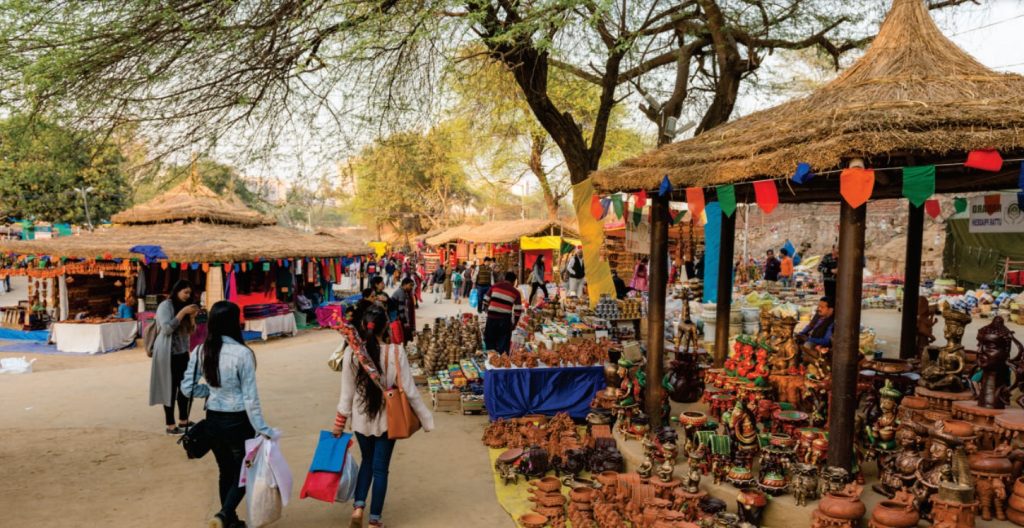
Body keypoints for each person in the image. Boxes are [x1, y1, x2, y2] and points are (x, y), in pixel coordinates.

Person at [332, 303, 434, 528]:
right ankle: (374, 521)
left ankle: (358, 507)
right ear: (386, 326)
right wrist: (426, 419)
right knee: (380, 469)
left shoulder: (351, 354)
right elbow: (409, 390)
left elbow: (346, 395)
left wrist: (339, 423)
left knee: (366, 461)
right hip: (388, 421)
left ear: (362, 326)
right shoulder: (396, 352)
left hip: (360, 420)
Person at [182, 301, 274, 528]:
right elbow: (250, 398)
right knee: (245, 472)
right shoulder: (243, 354)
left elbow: (187, 388)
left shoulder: (200, 351)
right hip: (238, 421)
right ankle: (224, 515)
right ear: (234, 323)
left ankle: (230, 521)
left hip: (213, 420)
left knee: (225, 471)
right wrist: (263, 429)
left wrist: (210, 391)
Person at [149, 279, 200, 435]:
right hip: (167, 354)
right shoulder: (166, 306)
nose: (187, 295)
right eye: (185, 292)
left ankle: (184, 421)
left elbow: (190, 332)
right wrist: (183, 313)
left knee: (184, 387)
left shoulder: (183, 307)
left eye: (189, 293)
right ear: (177, 291)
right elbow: (166, 329)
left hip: (182, 353)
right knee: (169, 389)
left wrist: (191, 317)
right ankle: (170, 425)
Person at [483, 272, 524, 354]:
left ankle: (490, 360)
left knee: (490, 341)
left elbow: (485, 300)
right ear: (514, 281)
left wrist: (488, 312)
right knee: (503, 344)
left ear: (505, 278)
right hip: (504, 320)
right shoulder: (515, 292)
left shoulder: (495, 286)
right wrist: (514, 324)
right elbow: (518, 310)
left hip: (492, 318)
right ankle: (501, 361)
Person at [389, 278, 416, 345]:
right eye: (410, 285)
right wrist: (405, 322)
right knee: (401, 337)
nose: (411, 287)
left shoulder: (403, 292)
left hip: (398, 317)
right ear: (404, 284)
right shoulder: (401, 293)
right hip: (397, 318)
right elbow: (401, 309)